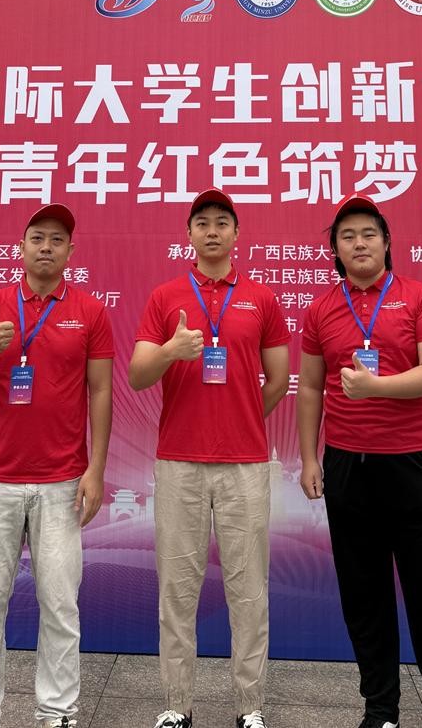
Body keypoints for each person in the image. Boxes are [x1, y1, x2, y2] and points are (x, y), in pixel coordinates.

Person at [296, 193, 422, 728]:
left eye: (369, 234)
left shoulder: (421, 298)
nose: (359, 243)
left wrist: (376, 387)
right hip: (348, 467)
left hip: (415, 464)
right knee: (364, 594)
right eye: (347, 236)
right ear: (335, 250)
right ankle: (381, 710)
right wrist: (308, 458)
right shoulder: (321, 309)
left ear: (387, 242)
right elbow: (310, 387)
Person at [128, 189, 291, 728]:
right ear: (189, 234)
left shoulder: (261, 298)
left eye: (223, 222)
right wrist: (170, 352)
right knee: (177, 590)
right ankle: (177, 705)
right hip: (179, 462)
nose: (213, 231)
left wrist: (239, 416)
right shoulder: (165, 297)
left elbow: (277, 379)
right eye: (203, 223)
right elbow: (137, 375)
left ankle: (250, 707)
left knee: (249, 590)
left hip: (246, 463)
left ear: (237, 234)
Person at [0, 203, 114, 728]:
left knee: (60, 605)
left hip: (62, 481)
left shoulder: (90, 311)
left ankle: (58, 711)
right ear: (21, 247)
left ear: (71, 251)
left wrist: (96, 469)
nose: (46, 247)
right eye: (38, 238)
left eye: (57, 240)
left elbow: (101, 391)